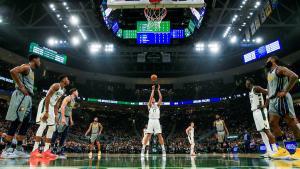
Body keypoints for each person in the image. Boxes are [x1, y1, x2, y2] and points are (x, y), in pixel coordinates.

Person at [1, 54, 41, 159]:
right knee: (16, 121)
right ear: (34, 59)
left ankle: (18, 148)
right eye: (39, 60)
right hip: (22, 96)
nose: (40, 62)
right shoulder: (26, 67)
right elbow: (13, 71)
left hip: (27, 97)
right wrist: (21, 86)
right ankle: (7, 149)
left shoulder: (31, 71)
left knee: (27, 122)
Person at [264, 56, 300, 159]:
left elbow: (294, 76)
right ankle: (282, 150)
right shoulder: (269, 74)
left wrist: (285, 91)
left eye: (268, 59)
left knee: (291, 122)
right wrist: (267, 101)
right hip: (272, 100)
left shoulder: (280, 69)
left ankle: (299, 150)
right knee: (272, 123)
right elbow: (269, 87)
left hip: (282, 98)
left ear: (274, 60)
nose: (266, 61)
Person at [30, 75, 70, 158]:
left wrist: (55, 115)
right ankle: (34, 150)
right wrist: (47, 111)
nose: (68, 80)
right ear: (63, 80)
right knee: (43, 126)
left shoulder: (64, 90)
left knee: (52, 128)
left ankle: (46, 151)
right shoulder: (56, 85)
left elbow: (57, 103)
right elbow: (48, 96)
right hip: (46, 104)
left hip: (52, 106)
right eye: (67, 79)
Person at [245, 78, 278, 157]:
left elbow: (268, 92)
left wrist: (265, 105)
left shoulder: (256, 88)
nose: (245, 83)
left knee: (266, 130)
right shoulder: (250, 91)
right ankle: (269, 151)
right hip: (255, 112)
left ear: (250, 82)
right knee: (262, 132)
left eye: (246, 82)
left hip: (260, 111)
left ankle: (275, 150)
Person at [51, 88, 78, 157]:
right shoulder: (68, 98)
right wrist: (63, 118)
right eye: (77, 91)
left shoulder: (73, 100)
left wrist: (71, 119)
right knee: (56, 132)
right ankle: (51, 149)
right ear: (74, 92)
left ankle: (59, 150)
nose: (78, 93)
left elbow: (70, 110)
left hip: (67, 117)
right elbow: (62, 107)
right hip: (62, 116)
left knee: (64, 134)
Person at [141, 84, 166, 157]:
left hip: (157, 121)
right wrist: (152, 90)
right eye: (152, 99)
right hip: (151, 120)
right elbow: (151, 97)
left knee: (159, 135)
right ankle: (143, 149)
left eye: (154, 99)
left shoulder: (157, 105)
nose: (153, 99)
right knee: (148, 134)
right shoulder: (149, 105)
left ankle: (163, 149)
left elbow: (161, 98)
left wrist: (158, 90)